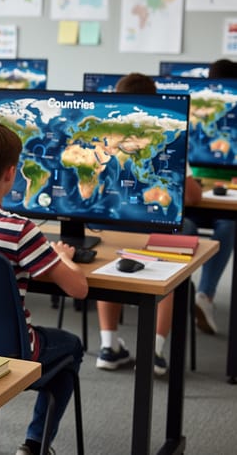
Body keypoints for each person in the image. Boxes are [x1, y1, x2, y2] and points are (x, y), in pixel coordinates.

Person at [0, 121, 87, 455]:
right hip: (11, 352)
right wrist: (64, 257)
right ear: (11, 174)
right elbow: (78, 289)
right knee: (71, 346)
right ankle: (33, 445)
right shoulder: (20, 230)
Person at [93, 72, 191, 376]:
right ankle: (155, 352)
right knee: (170, 270)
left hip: (113, 227)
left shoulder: (103, 140)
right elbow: (192, 194)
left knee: (108, 261)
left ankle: (108, 346)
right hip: (156, 230)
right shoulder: (168, 136)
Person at [186, 59, 237, 334]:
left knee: (228, 225)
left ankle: (203, 296)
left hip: (213, 199)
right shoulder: (194, 111)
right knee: (221, 226)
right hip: (195, 196)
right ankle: (196, 294)